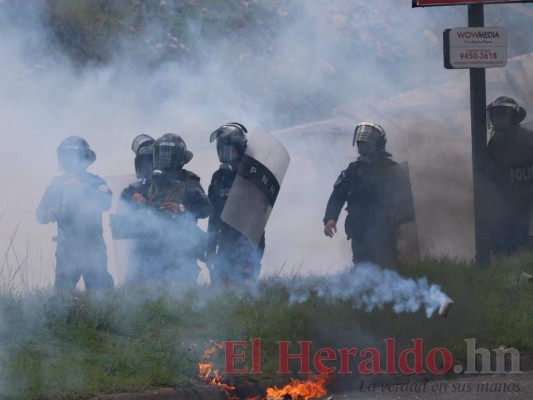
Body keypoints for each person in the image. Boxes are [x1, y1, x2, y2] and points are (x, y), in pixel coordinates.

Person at [36, 136, 114, 291]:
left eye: (74, 156)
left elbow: (106, 204)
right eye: (67, 156)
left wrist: (84, 189)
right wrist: (50, 213)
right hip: (67, 248)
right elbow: (40, 215)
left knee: (101, 294)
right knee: (62, 295)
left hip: (93, 246)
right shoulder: (57, 184)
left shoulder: (96, 182)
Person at [323, 122, 403, 267]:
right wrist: (330, 218)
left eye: (366, 145)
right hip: (359, 227)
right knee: (362, 267)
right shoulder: (352, 171)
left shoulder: (392, 170)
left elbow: (402, 200)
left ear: (377, 145)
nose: (362, 149)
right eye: (360, 145)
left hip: (384, 227)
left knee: (388, 265)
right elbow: (337, 195)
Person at [143, 133, 211, 283]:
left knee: (184, 291)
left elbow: (205, 208)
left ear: (178, 157)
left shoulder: (189, 181)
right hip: (156, 246)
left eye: (167, 154)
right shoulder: (154, 182)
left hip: (182, 245)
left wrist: (182, 209)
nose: (162, 158)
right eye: (161, 153)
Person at [206, 122, 265, 286]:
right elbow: (213, 214)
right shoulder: (218, 177)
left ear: (240, 148)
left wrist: (254, 258)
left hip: (245, 243)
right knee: (219, 293)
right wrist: (210, 247)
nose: (225, 153)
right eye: (222, 148)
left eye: (229, 149)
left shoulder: (251, 176)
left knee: (244, 290)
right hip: (224, 243)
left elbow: (258, 221)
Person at [486, 96, 533, 256]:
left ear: (514, 117)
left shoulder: (529, 138)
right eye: (496, 114)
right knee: (505, 247)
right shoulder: (493, 146)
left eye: (503, 114)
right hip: (506, 207)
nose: (499, 118)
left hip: (527, 205)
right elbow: (490, 177)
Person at [117, 134, 155, 283]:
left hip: (165, 245)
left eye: (150, 162)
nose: (147, 167)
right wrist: (132, 196)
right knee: (135, 284)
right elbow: (122, 210)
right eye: (144, 163)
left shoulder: (169, 185)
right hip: (140, 245)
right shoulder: (132, 189)